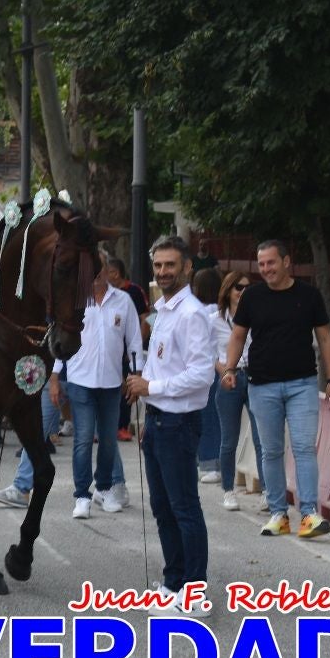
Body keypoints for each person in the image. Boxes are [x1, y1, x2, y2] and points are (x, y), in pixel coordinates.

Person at [124, 236, 214, 618]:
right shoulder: (164, 310)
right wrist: (147, 398)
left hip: (179, 423)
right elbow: (163, 365)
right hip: (159, 421)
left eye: (170, 265)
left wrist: (151, 387)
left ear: (187, 267)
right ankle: (173, 582)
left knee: (184, 508)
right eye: (158, 266)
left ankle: (194, 594)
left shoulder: (192, 313)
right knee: (162, 507)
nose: (162, 272)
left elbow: (201, 374)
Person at [223, 240, 330, 539]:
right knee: (271, 450)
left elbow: (325, 338)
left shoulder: (309, 296)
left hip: (302, 384)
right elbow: (237, 336)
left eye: (271, 263)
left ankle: (310, 514)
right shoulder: (252, 297)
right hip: (262, 385)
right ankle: (278, 513)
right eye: (261, 265)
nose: (266, 269)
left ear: (287, 262)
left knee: (303, 448)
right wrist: (229, 369)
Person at [60, 252, 143, 519]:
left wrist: (136, 374)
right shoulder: (75, 299)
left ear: (108, 269)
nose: (95, 272)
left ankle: (104, 488)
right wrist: (53, 376)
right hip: (79, 379)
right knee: (83, 439)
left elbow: (134, 341)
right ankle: (81, 495)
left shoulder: (124, 300)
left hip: (110, 381)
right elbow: (59, 336)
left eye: (100, 267)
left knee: (108, 440)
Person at [211, 270, 262, 511]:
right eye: (238, 287)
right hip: (229, 378)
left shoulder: (257, 315)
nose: (243, 292)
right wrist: (224, 371)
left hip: (255, 376)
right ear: (228, 290)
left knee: (262, 438)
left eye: (247, 288)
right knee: (228, 439)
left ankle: (267, 491)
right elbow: (208, 353)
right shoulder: (215, 319)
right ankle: (228, 490)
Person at [107, 256, 151, 441]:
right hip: (111, 351)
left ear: (115, 273)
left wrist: (136, 345)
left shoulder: (134, 291)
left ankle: (123, 426)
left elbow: (145, 318)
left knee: (127, 388)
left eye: (106, 271)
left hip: (127, 353)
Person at [191, 267, 224, 483]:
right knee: (215, 418)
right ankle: (211, 461)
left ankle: (210, 461)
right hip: (217, 368)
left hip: (207, 369)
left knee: (207, 417)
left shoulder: (201, 312)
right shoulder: (220, 311)